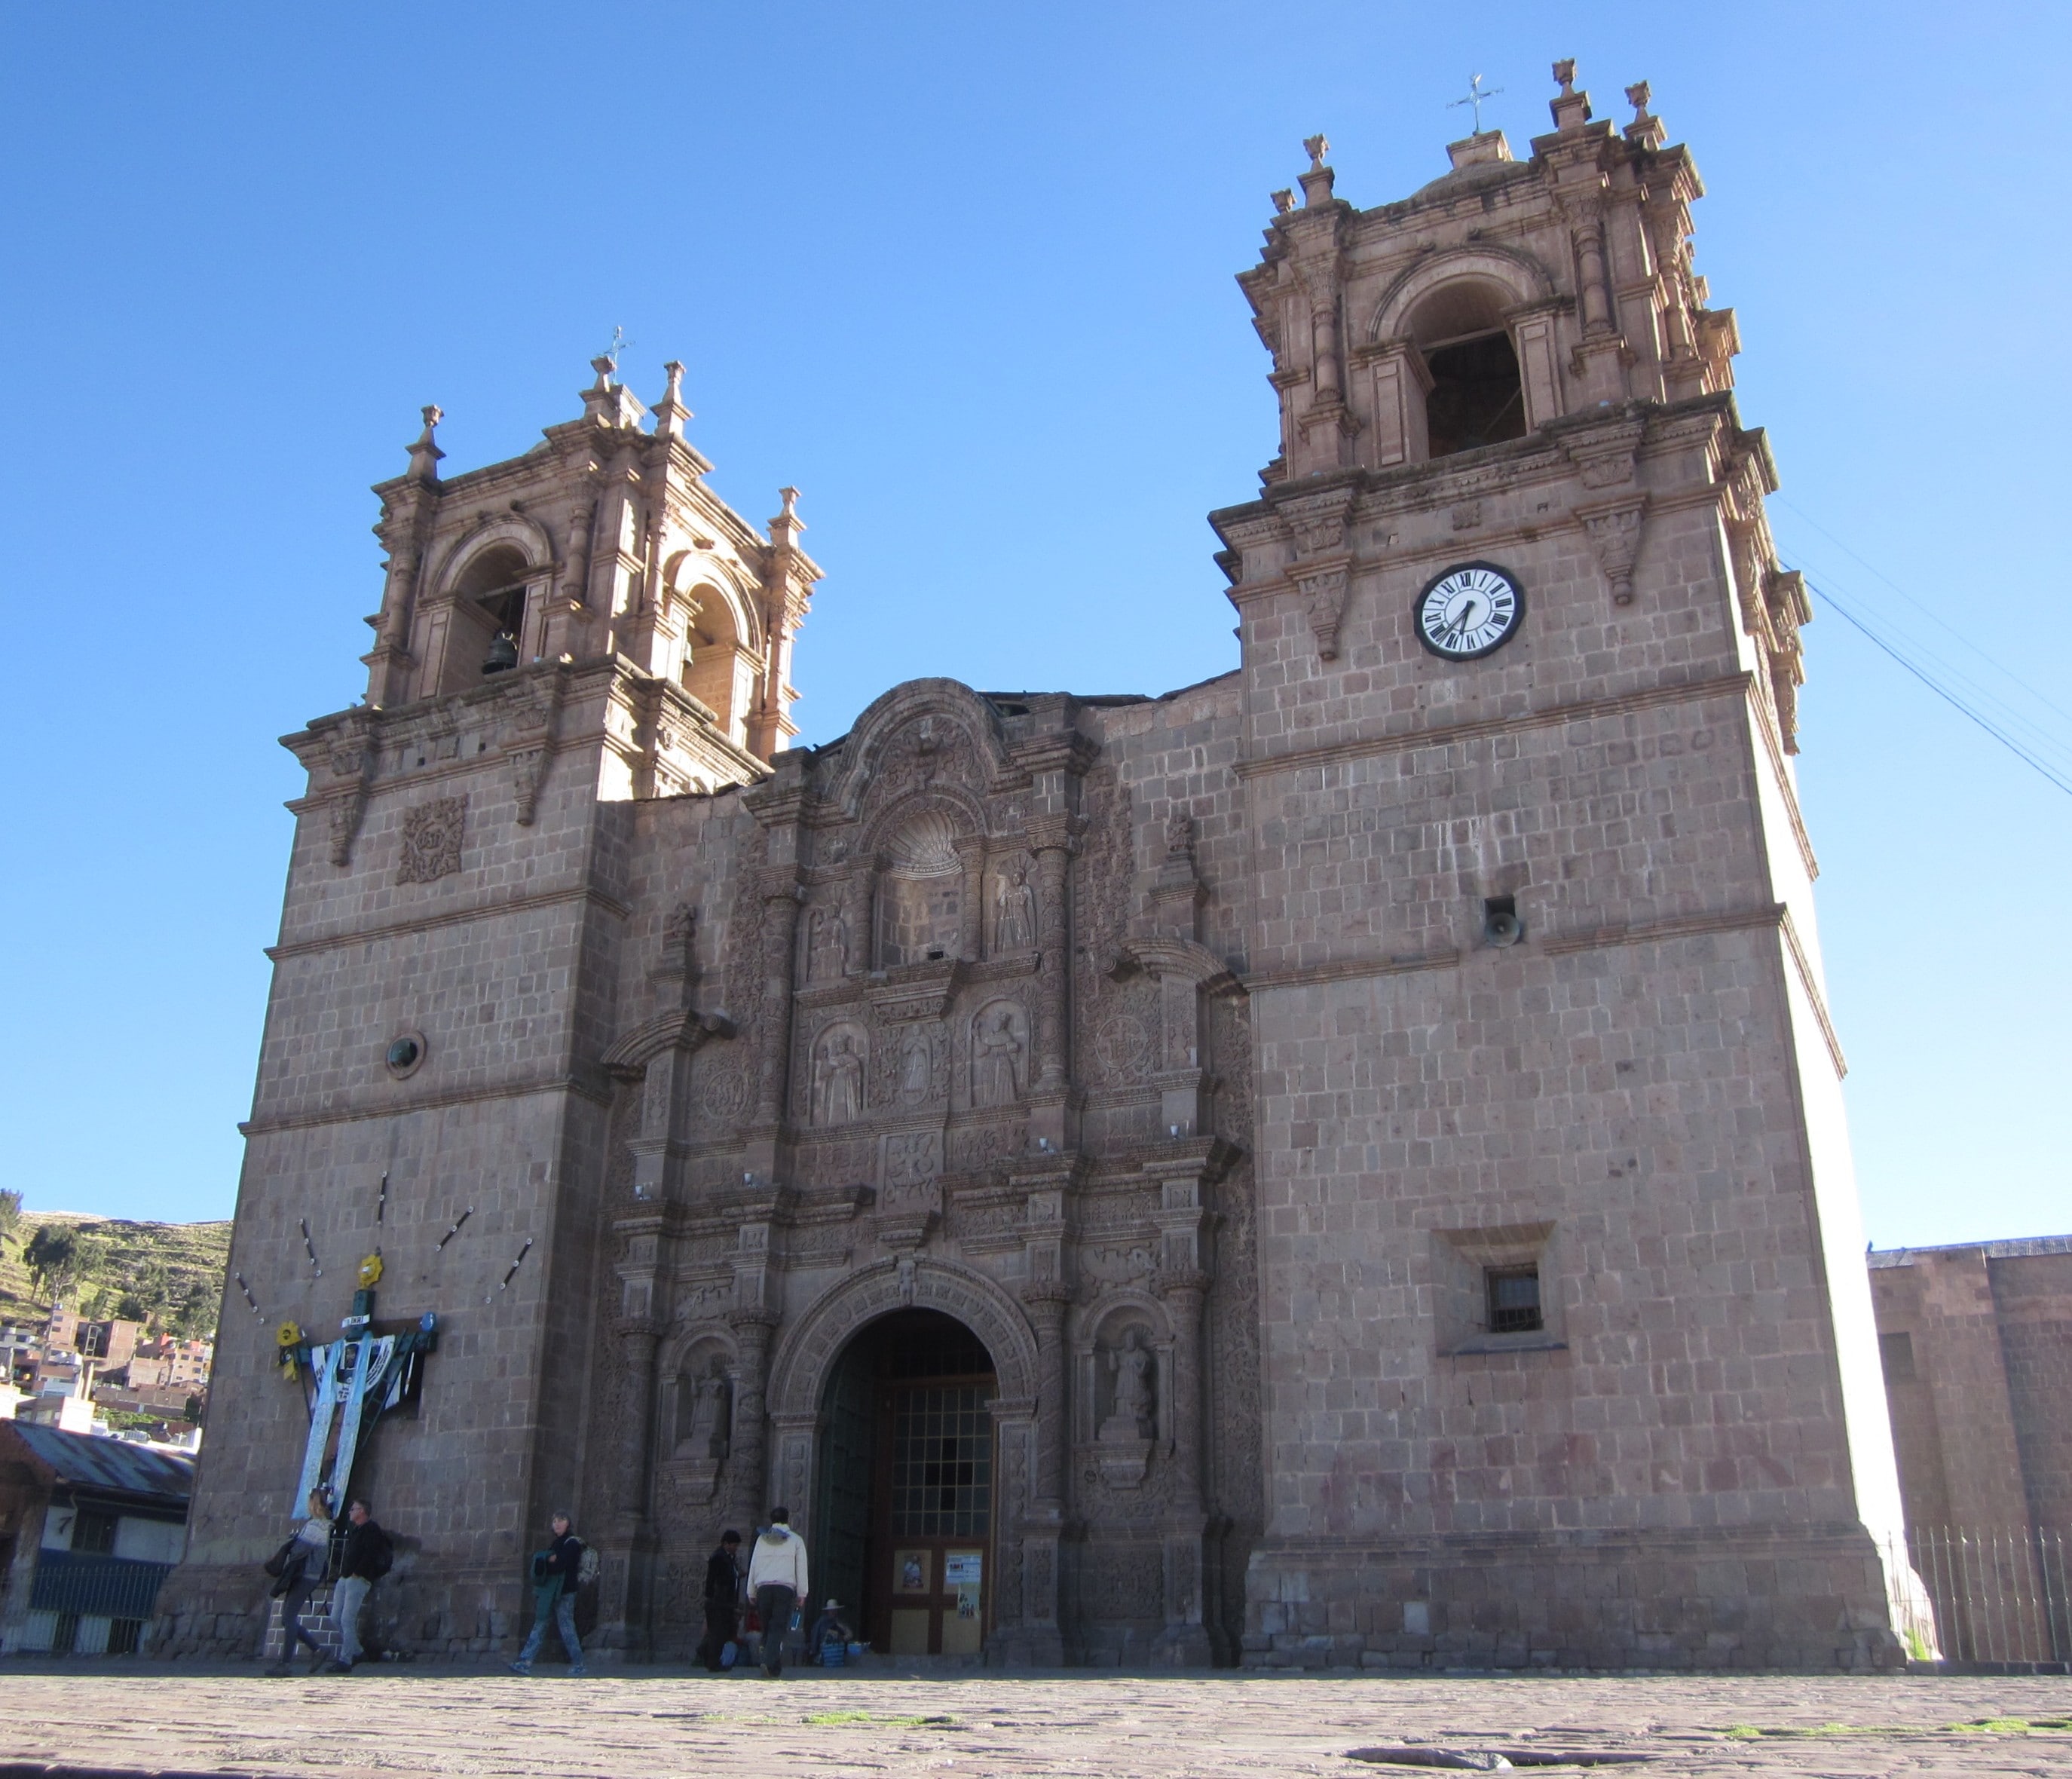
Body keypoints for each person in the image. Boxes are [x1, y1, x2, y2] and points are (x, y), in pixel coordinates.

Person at [510, 1511, 588, 1676]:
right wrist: (548, 1559)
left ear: (568, 1523)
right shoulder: (556, 1544)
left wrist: (550, 1560)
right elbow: (548, 1564)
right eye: (554, 1521)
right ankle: (525, 1661)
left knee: (566, 1627)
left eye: (561, 1520)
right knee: (541, 1624)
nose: (557, 1524)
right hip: (550, 1592)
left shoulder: (572, 1543)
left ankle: (579, 1663)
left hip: (565, 1591)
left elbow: (561, 1564)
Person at [264, 1489, 332, 1676]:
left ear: (313, 1503)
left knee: (289, 1618)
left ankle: (286, 1663)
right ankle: (318, 1650)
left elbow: (299, 1551)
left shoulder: (316, 1527)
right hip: (307, 1577)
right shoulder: (321, 1526)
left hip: (305, 1576)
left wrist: (291, 1543)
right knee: (288, 1618)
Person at [327, 1499, 392, 1672]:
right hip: (346, 1577)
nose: (350, 1511)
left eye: (353, 1509)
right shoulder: (356, 1530)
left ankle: (346, 1660)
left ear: (362, 1511)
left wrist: (358, 1572)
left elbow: (371, 1553)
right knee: (335, 1618)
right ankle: (358, 1651)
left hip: (358, 1578)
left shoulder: (371, 1529)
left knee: (347, 1619)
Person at [744, 1506, 808, 1677]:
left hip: (763, 1588)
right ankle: (767, 1661)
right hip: (784, 1589)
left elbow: (754, 1565)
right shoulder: (796, 1540)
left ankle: (774, 1667)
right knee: (778, 1627)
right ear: (788, 1519)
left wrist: (751, 1592)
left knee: (767, 1628)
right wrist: (802, 1593)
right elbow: (801, 1568)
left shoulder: (761, 1541)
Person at [696, 1529, 742, 1673]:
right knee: (717, 1633)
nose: (735, 1548)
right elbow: (716, 1581)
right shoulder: (719, 1557)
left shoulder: (728, 1558)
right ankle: (713, 1662)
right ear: (725, 1544)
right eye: (733, 1545)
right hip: (719, 1602)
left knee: (722, 1632)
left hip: (724, 1602)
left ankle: (707, 1654)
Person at [806, 1597, 854, 1665]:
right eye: (831, 1610)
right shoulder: (822, 1622)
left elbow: (850, 1634)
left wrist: (841, 1637)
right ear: (828, 1611)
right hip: (825, 1651)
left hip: (838, 1651)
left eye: (835, 1610)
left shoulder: (840, 1622)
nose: (833, 1612)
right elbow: (818, 1635)